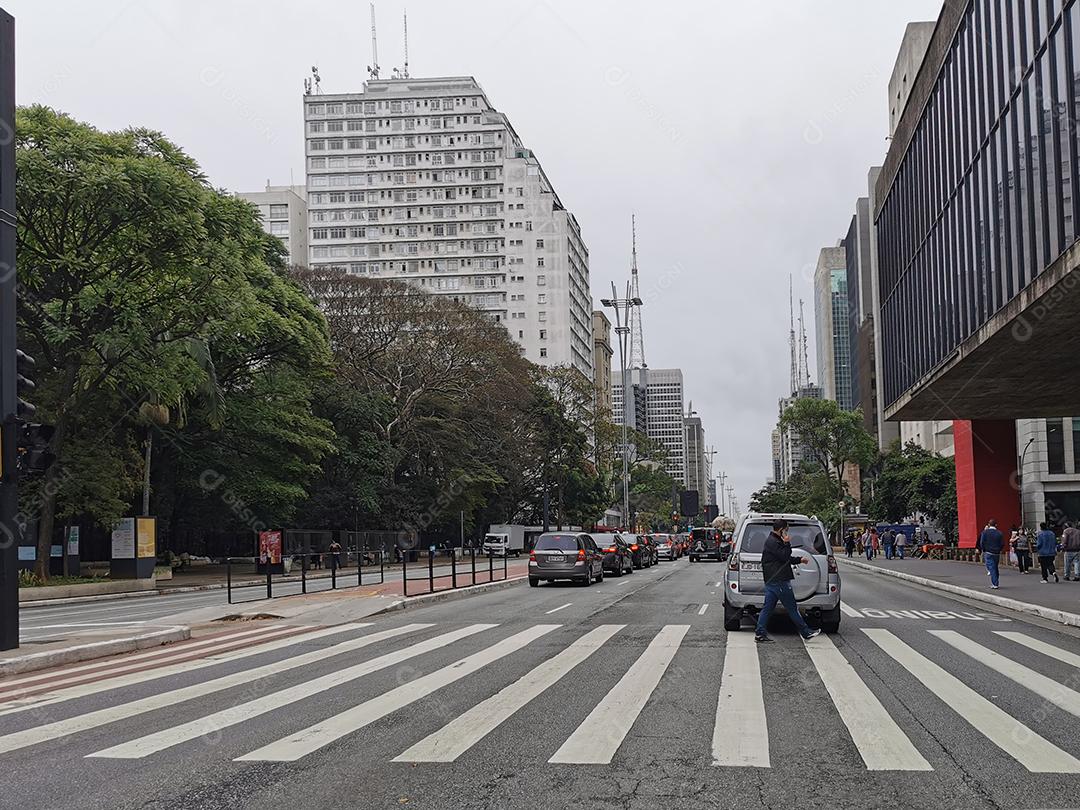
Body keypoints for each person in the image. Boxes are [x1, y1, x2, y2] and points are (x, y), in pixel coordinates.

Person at [754, 518, 821, 644]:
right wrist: (787, 543)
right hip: (779, 580)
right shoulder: (774, 542)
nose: (787, 532)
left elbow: (783, 557)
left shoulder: (773, 540)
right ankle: (806, 632)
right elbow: (784, 556)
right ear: (781, 530)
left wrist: (799, 560)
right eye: (786, 530)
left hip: (772, 580)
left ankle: (760, 633)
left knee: (767, 608)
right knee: (792, 608)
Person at [977, 519, 1004, 589]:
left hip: (988, 552)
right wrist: (999, 549)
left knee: (991, 568)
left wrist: (984, 549)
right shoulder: (999, 533)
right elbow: (1002, 543)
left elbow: (982, 542)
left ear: (989, 525)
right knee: (995, 567)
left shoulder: (985, 532)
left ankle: (995, 583)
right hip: (997, 553)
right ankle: (996, 581)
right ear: (996, 525)